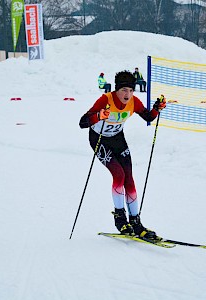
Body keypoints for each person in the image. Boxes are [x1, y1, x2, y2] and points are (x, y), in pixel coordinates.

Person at [79, 70, 166, 239]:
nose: (128, 94)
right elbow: (82, 122)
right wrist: (98, 116)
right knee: (118, 175)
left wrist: (156, 109)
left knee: (129, 178)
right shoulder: (106, 99)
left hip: (118, 139)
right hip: (99, 139)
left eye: (131, 90)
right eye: (124, 90)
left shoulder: (134, 101)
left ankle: (135, 222)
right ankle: (120, 219)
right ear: (117, 90)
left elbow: (148, 116)